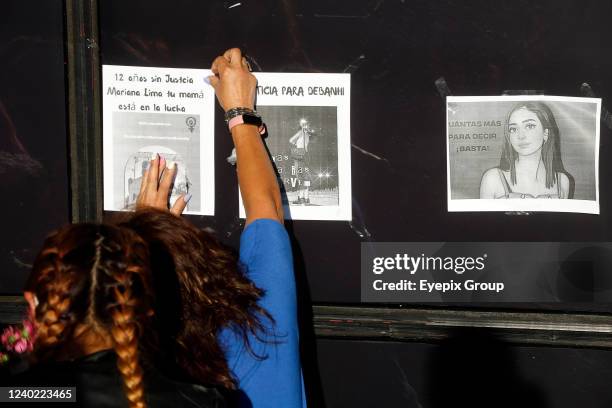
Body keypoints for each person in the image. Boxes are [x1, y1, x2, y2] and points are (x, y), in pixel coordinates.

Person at [479, 102, 572, 199]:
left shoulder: (562, 181)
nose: (521, 136)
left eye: (529, 126)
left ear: (545, 133)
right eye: (513, 129)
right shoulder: (492, 179)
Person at [289, 118, 314, 205]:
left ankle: (301, 198)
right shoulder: (308, 134)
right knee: (306, 176)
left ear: (302, 125)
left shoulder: (300, 133)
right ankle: (306, 198)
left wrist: (296, 144)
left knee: (300, 176)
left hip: (299, 155)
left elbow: (291, 140)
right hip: (306, 155)